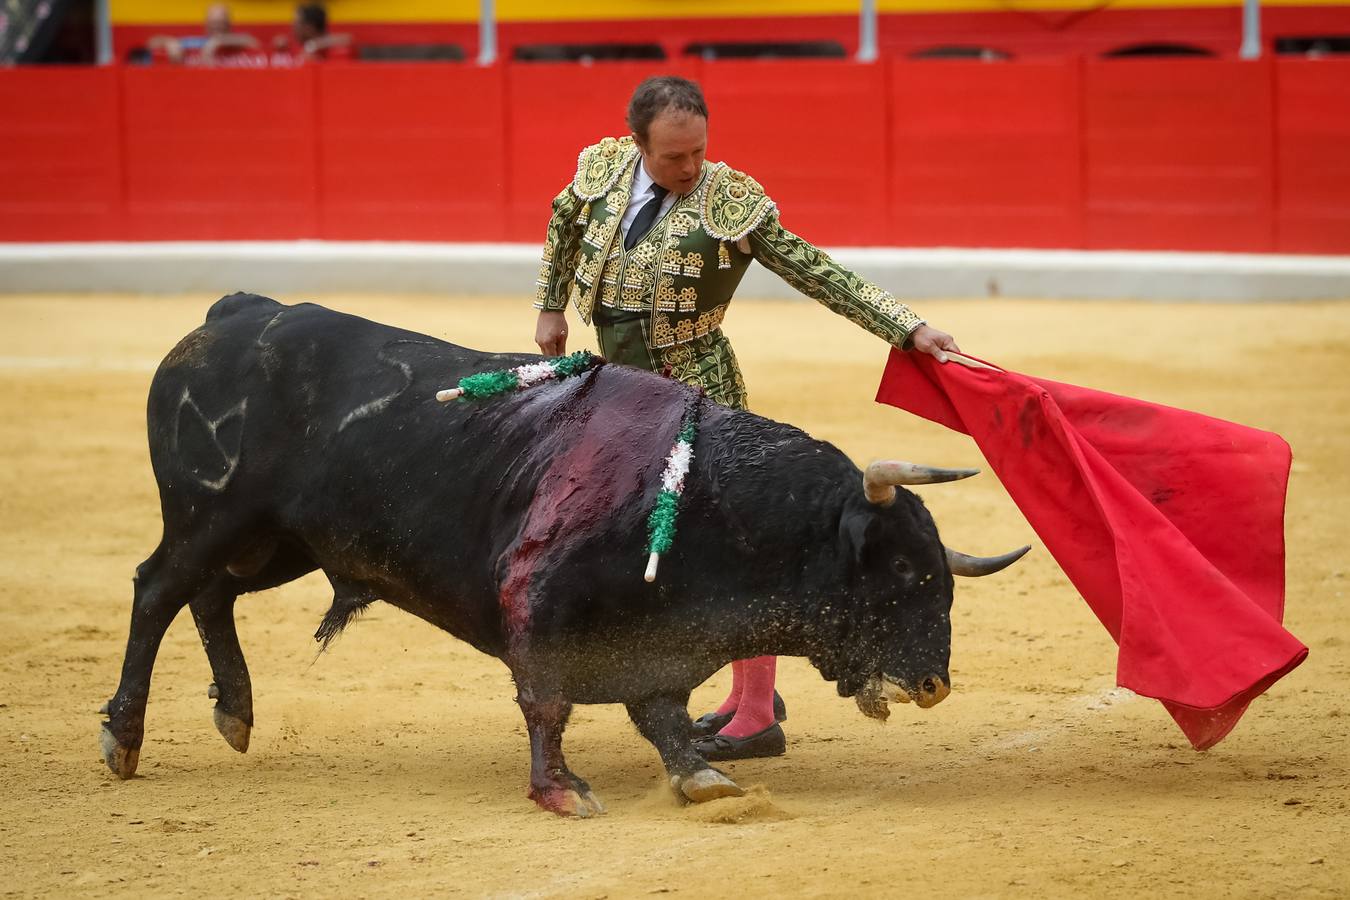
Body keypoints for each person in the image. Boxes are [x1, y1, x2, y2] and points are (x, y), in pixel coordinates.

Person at [532, 76, 959, 762]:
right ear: (639, 143)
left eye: (698, 151)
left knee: (735, 547)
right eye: (674, 157)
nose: (691, 168)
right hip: (620, 393)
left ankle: (757, 710)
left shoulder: (729, 202)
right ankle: (743, 691)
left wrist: (908, 329)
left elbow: (816, 270)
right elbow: (562, 220)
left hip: (700, 392)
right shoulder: (606, 172)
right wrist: (550, 304)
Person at [147, 4, 259, 65]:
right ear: (206, 25)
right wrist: (169, 42)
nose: (217, 27)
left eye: (221, 23)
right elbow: (151, 43)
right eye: (213, 23)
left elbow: (253, 43)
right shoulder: (195, 42)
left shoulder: (238, 43)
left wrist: (220, 42)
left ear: (229, 24)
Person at [271, 3, 352, 63]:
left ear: (309, 27)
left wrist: (313, 45)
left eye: (297, 23)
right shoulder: (290, 43)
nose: (293, 27)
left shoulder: (329, 47)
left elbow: (348, 39)